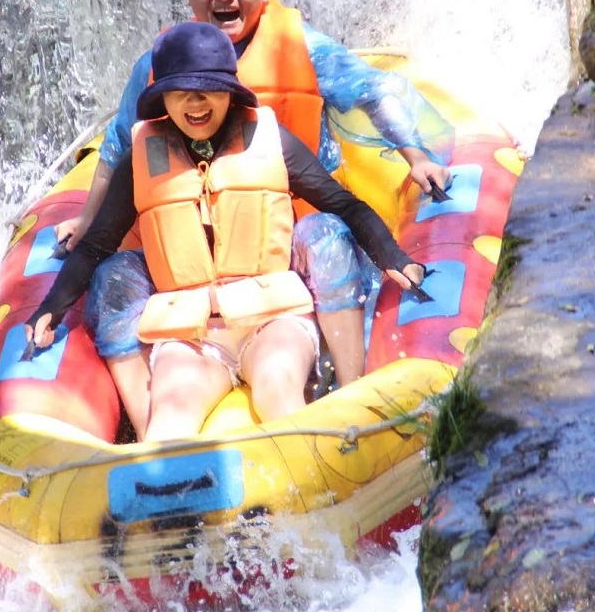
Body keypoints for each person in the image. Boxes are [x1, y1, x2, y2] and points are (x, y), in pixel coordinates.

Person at [58, 0, 451, 399]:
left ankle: (350, 395)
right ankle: (141, 419)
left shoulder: (302, 48)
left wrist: (416, 156)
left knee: (328, 237)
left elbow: (373, 93)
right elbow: (120, 145)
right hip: (189, 260)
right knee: (111, 279)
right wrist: (87, 219)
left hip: (291, 239)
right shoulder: (159, 65)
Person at [26, 22, 427, 443]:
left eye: (209, 90)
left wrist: (393, 258)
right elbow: (96, 246)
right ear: (162, 98)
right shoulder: (140, 159)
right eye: (181, 91)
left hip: (272, 321)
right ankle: (146, 453)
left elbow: (343, 204)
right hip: (190, 338)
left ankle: (348, 406)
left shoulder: (270, 140)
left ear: (230, 93)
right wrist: (49, 309)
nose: (195, 102)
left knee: (277, 386)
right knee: (170, 417)